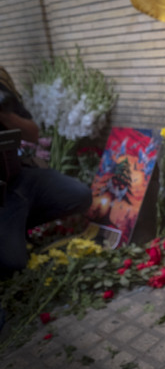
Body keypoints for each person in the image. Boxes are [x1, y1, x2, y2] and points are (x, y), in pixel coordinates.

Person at [0, 67, 92, 275]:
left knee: (79, 195)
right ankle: (11, 231)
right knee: (12, 265)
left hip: (20, 178)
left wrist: (5, 116)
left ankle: (18, 225)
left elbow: (32, 134)